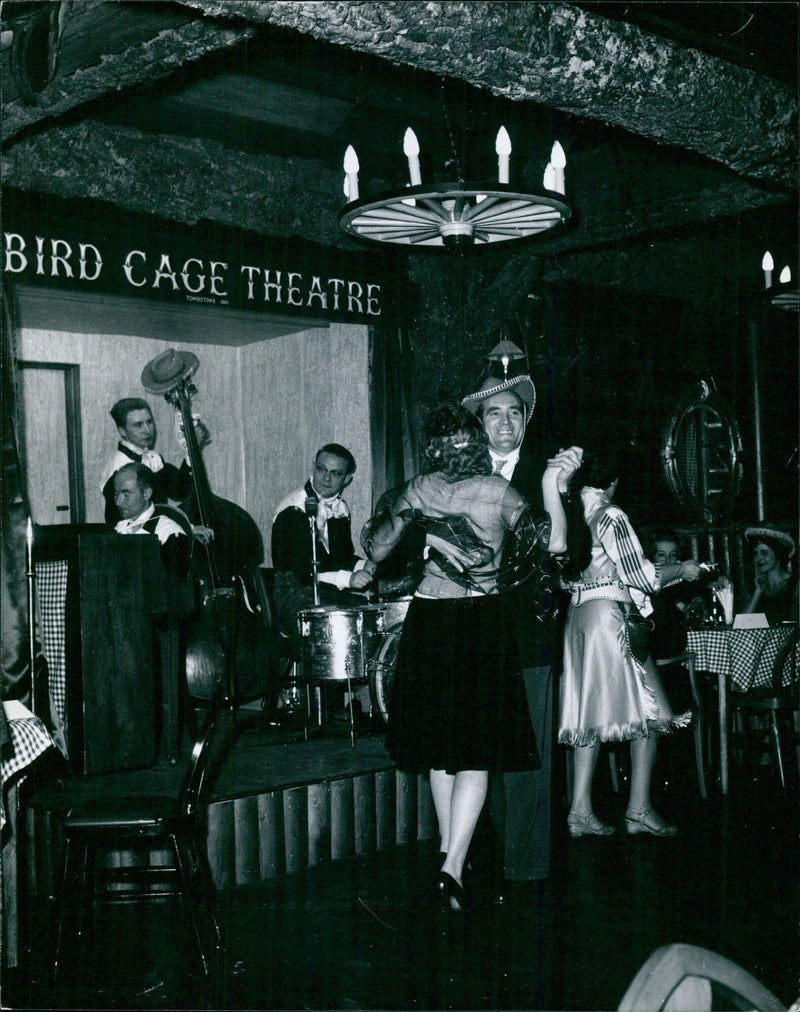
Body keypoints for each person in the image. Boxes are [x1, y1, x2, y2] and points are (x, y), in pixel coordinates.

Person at [361, 404, 572, 912]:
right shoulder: (499, 492)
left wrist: (425, 530)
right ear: (476, 443)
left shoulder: (418, 488)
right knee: (473, 753)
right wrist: (550, 485)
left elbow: (375, 548)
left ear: (433, 448)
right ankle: (452, 865)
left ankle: (447, 853)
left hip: (430, 622)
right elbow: (557, 543)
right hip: (480, 624)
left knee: (441, 752)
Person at [461, 372, 583, 890]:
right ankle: (491, 855)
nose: (505, 421)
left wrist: (561, 488)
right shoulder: (458, 471)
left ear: (526, 420)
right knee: (479, 746)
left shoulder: (544, 474)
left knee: (530, 749)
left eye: (514, 412)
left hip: (529, 629)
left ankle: (527, 867)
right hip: (470, 628)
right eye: (494, 413)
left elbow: (568, 551)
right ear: (480, 423)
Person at [558, 447, 702, 838]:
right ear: (615, 481)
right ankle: (638, 808)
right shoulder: (610, 514)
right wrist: (682, 570)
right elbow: (642, 577)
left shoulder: (570, 513)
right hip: (610, 616)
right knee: (653, 711)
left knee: (590, 715)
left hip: (578, 617)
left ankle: (580, 810)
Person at [271, 444, 377, 639]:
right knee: (343, 627)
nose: (326, 478)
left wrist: (365, 565)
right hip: (293, 594)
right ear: (314, 467)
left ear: (346, 479)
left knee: (373, 616)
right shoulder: (294, 510)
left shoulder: (339, 508)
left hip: (325, 592)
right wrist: (349, 579)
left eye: (335, 473)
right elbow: (300, 571)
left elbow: (341, 557)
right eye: (321, 469)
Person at [101, 396, 207, 523]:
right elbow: (121, 523)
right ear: (122, 431)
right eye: (138, 425)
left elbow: (180, 491)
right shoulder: (119, 468)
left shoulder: (153, 459)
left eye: (149, 422)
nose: (147, 430)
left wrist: (192, 448)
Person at [112, 462, 193, 576]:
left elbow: (176, 586)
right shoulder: (118, 529)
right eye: (116, 494)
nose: (118, 502)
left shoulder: (169, 533)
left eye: (126, 495)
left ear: (146, 493)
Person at [743, 523, 798, 625]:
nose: (758, 559)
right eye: (755, 554)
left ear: (778, 555)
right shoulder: (759, 588)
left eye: (764, 553)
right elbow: (742, 624)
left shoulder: (794, 585)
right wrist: (757, 592)